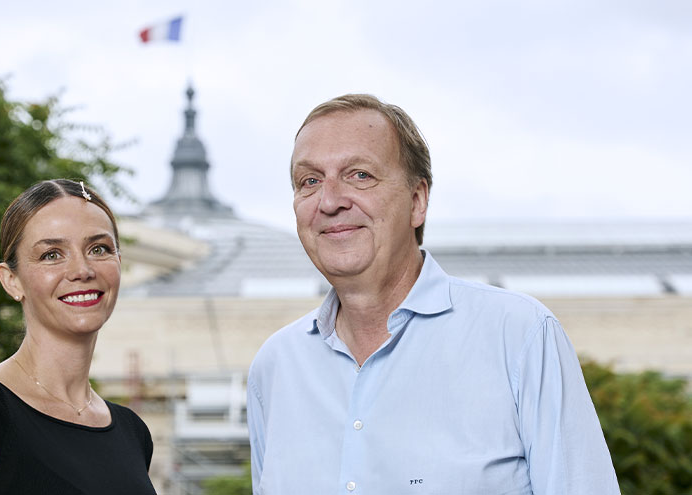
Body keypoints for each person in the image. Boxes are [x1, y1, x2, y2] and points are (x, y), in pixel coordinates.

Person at [246, 95, 619, 494]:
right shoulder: (275, 367)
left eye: (360, 175)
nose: (331, 200)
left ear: (417, 201)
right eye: (310, 181)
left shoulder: (519, 337)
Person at [0, 179, 156, 494]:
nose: (82, 270)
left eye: (99, 249)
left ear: (119, 263)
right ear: (11, 280)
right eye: (52, 255)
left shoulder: (131, 431)